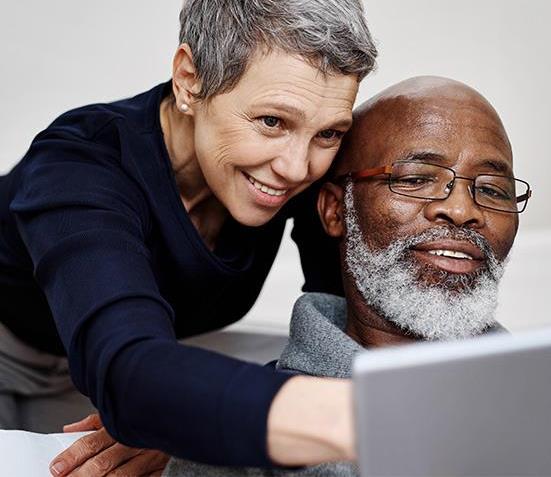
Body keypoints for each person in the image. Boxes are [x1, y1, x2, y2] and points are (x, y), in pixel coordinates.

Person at [60, 76, 532, 476]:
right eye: (413, 179)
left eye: (492, 189)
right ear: (333, 210)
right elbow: (130, 368)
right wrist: (194, 424)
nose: (461, 209)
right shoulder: (227, 454)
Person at [0, 0, 378, 473]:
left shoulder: (299, 170)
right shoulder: (76, 166)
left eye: (328, 133)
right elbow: (129, 374)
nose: (298, 168)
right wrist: (372, 417)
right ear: (189, 80)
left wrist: (176, 414)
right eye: (271, 122)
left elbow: (338, 325)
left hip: (109, 370)